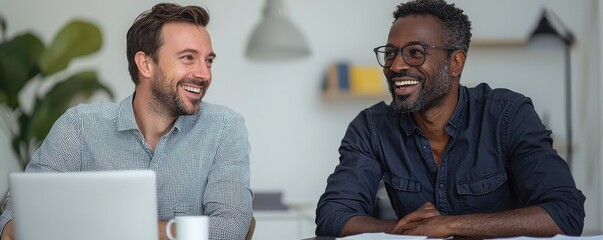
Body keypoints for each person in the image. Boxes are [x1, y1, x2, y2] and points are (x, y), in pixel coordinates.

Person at [315, 0, 585, 238]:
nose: (396, 66)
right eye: (390, 53)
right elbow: (333, 216)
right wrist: (403, 231)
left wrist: (448, 226)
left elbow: (565, 213)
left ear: (455, 63)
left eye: (415, 53)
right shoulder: (371, 127)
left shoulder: (508, 115)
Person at [0, 3, 253, 240]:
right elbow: (16, 217)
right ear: (145, 64)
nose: (204, 74)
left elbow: (230, 228)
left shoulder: (224, 129)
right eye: (188, 57)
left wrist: (132, 228)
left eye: (208, 60)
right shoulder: (79, 126)